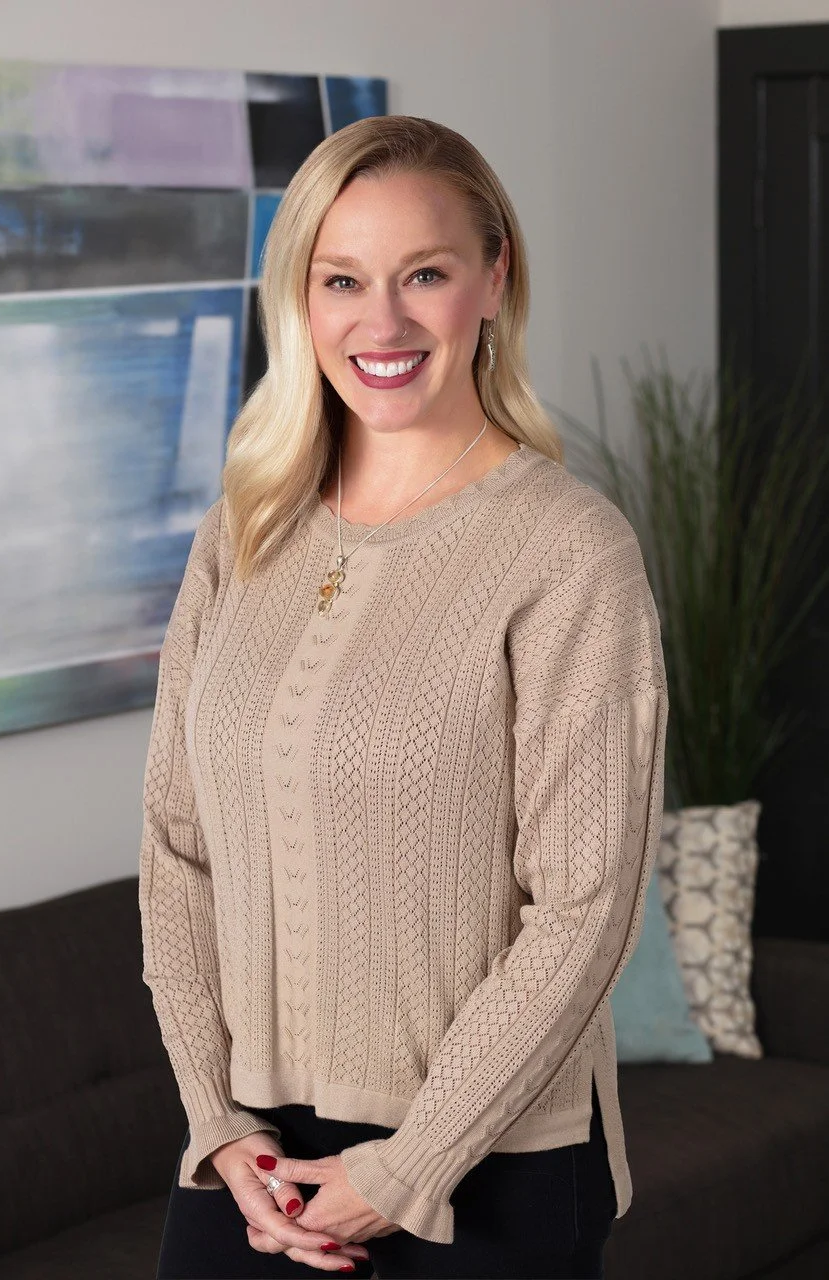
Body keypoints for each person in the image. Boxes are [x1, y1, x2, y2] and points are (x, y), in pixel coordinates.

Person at [140, 114, 668, 1280]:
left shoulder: (567, 550)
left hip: (492, 1167)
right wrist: (215, 1120)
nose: (380, 323)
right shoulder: (242, 535)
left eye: (422, 274)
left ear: (493, 278)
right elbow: (177, 847)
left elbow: (584, 903)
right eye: (343, 280)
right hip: (253, 1162)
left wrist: (408, 1162)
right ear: (303, 298)